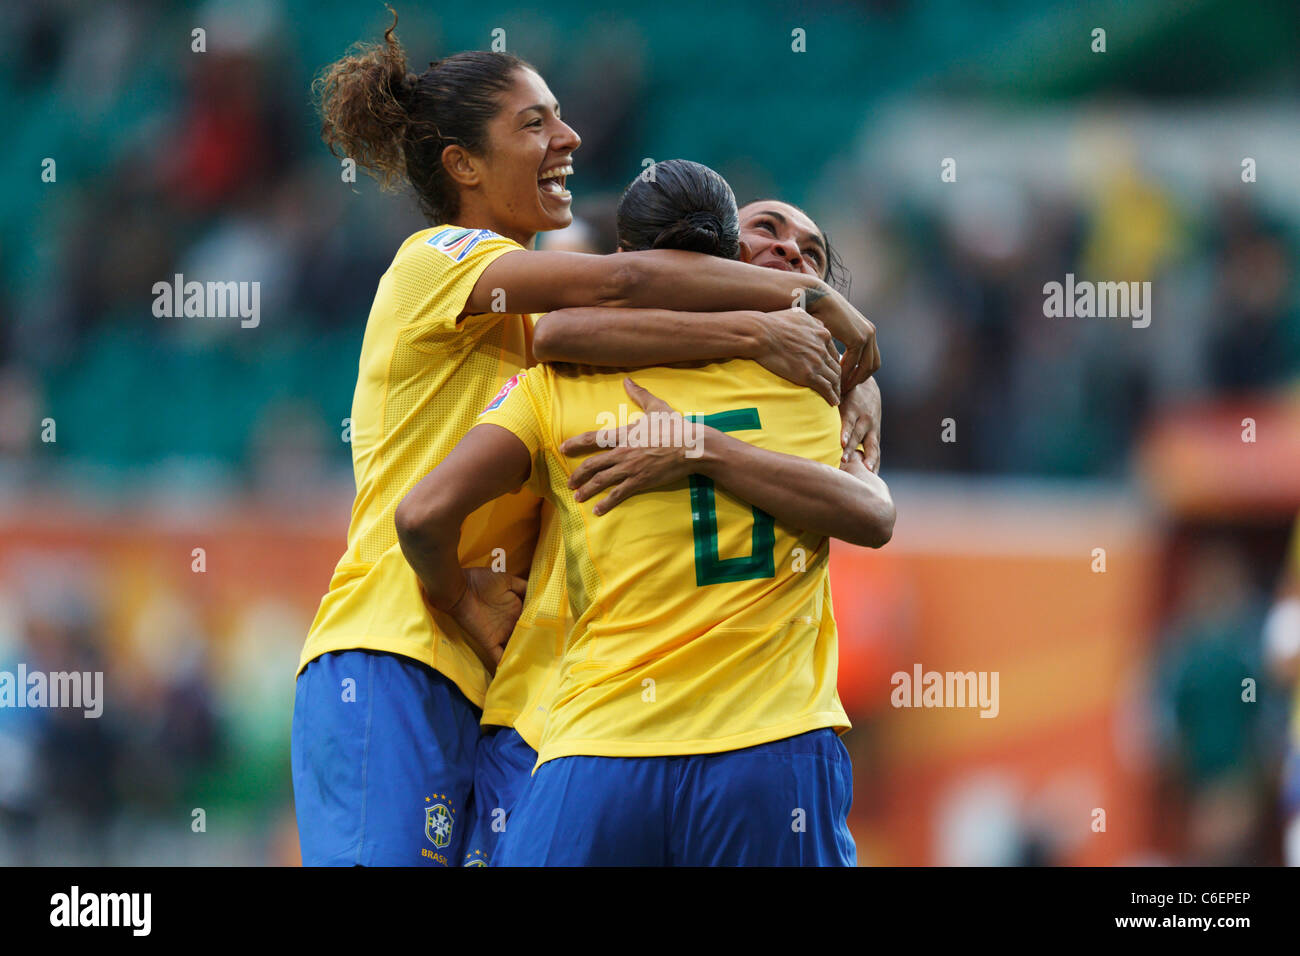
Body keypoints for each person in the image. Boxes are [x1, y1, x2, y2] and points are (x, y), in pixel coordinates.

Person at [291, 13, 879, 867]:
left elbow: (645, 264)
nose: (568, 135)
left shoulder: (547, 300)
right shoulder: (441, 259)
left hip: (505, 684)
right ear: (462, 164)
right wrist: (812, 308)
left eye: (561, 114)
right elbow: (628, 274)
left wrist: (859, 378)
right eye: (534, 122)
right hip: (400, 638)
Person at [397, 159, 894, 865]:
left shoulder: (556, 389)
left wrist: (457, 596)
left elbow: (423, 513)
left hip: (596, 751)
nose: (789, 257)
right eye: (769, 232)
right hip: (765, 749)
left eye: (810, 256)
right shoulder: (806, 397)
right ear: (726, 258)